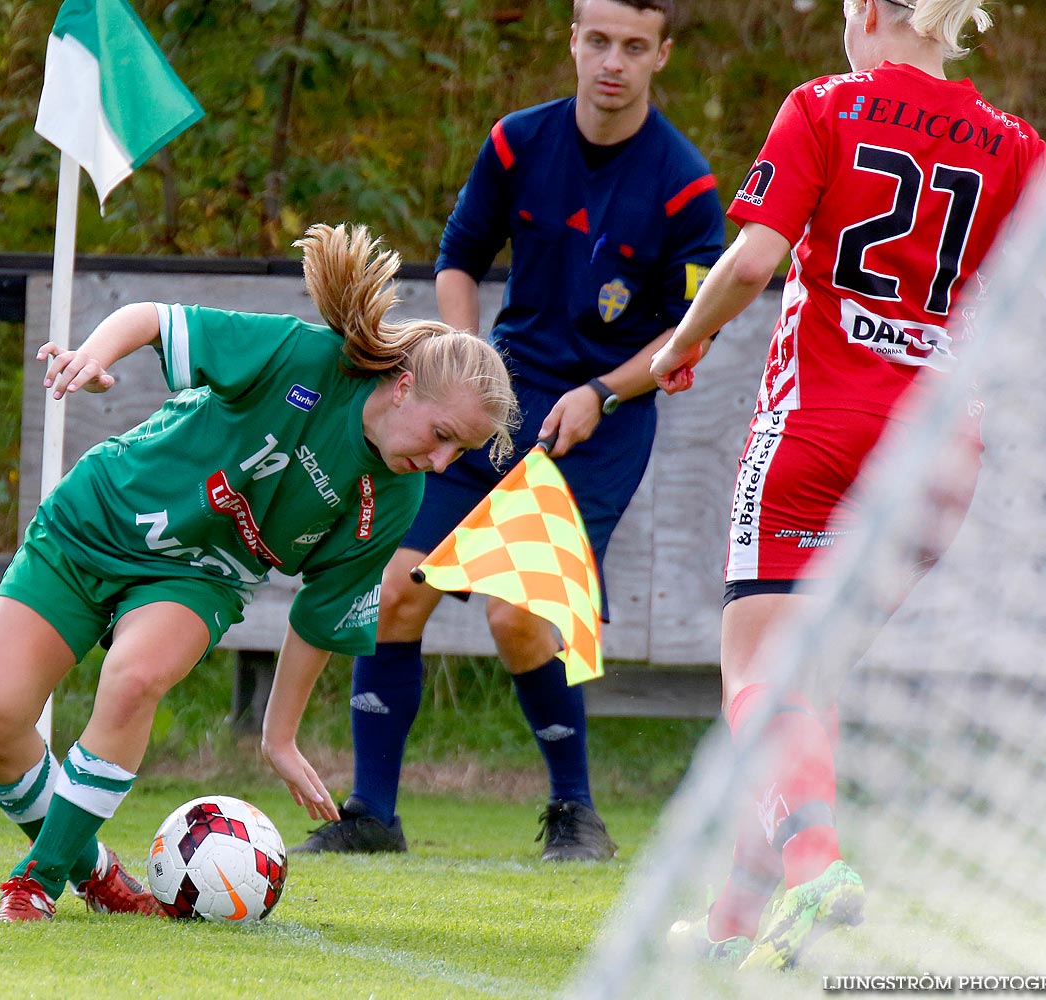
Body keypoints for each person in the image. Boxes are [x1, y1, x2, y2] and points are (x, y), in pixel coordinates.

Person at [650, 0, 1046, 970]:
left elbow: (755, 259)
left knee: (757, 675)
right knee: (804, 689)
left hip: (814, 432)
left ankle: (814, 863)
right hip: (936, 458)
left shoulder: (823, 106)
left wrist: (680, 343)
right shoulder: (1010, 142)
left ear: (866, 11)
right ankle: (736, 919)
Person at [0, 222, 518, 922]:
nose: (442, 464)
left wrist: (279, 737)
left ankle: (35, 882)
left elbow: (320, 615)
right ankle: (94, 869)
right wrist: (91, 356)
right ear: (404, 387)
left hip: (199, 575)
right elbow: (150, 321)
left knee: (135, 677)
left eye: (459, 453)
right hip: (94, 520)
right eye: (442, 437)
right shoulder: (302, 357)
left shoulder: (394, 498)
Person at [292, 0, 725, 862]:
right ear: (572, 40)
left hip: (596, 431)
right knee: (396, 585)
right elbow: (458, 256)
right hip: (492, 413)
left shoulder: (685, 182)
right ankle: (372, 815)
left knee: (514, 617)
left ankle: (576, 815)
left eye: (634, 47)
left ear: (661, 56)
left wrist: (603, 390)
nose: (612, 61)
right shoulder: (516, 143)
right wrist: (470, 365)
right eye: (598, 40)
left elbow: (694, 330)